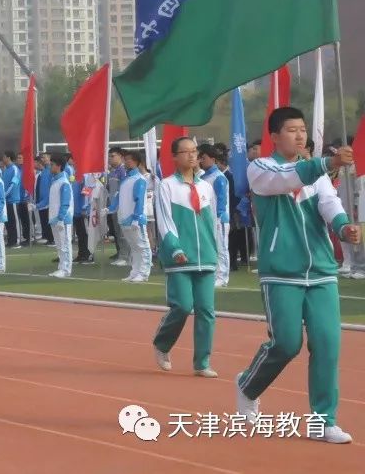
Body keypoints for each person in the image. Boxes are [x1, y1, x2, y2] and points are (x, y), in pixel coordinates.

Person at [236, 107, 360, 444]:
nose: (300, 135)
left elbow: (329, 203)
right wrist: (328, 163)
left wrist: (343, 226)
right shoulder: (260, 168)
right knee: (286, 343)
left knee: (327, 344)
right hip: (282, 271)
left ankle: (323, 420)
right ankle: (248, 386)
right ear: (274, 136)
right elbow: (288, 179)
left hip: (321, 270)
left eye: (303, 130)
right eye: (292, 130)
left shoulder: (316, 173)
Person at [152, 136, 219, 379]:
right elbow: (165, 221)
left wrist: (218, 251)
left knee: (206, 310)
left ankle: (202, 362)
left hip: (206, 257)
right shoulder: (167, 186)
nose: (192, 156)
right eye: (186, 152)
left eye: (194, 151)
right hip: (180, 256)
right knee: (181, 306)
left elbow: (214, 222)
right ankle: (162, 344)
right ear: (174, 157)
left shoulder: (206, 187)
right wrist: (175, 248)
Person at [198, 144, 231, 288]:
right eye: (199, 158)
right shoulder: (202, 177)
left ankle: (222, 276)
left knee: (221, 247)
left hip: (218, 219)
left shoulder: (219, 177)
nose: (200, 161)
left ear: (213, 159)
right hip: (207, 219)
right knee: (211, 248)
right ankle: (213, 273)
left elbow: (222, 198)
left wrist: (220, 215)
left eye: (203, 158)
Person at [118, 151, 152, 283]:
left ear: (137, 162)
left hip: (136, 219)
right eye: (125, 159)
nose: (126, 162)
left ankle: (143, 273)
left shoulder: (140, 179)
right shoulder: (125, 179)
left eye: (129, 160)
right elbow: (118, 197)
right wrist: (109, 209)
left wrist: (137, 218)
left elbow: (139, 200)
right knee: (134, 247)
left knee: (142, 246)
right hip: (125, 218)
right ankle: (134, 272)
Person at [46, 154, 73, 278]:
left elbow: (65, 202)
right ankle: (61, 267)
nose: (50, 167)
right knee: (59, 246)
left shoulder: (64, 182)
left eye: (52, 165)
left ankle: (66, 269)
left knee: (65, 244)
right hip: (54, 218)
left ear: (59, 166)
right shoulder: (55, 181)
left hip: (63, 220)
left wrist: (61, 218)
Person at [1, 152, 22, 249]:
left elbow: (13, 184)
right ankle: (10, 240)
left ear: (8, 157)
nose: (3, 159)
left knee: (14, 221)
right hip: (6, 200)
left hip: (13, 199)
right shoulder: (6, 170)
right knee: (8, 222)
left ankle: (17, 241)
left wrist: (5, 194)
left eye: (4, 157)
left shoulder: (14, 169)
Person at [34, 154, 53, 245]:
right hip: (42, 200)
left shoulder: (51, 171)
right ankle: (47, 237)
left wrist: (47, 199)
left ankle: (51, 238)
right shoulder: (44, 171)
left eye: (45, 157)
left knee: (48, 220)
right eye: (42, 158)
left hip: (49, 200)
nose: (43, 159)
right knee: (44, 220)